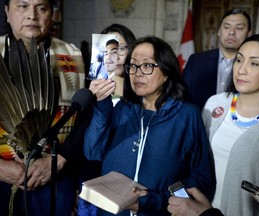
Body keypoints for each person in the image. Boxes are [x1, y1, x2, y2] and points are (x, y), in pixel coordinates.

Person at [84, 36, 215, 215]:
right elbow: (92, 152)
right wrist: (101, 109)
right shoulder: (122, 109)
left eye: (147, 65)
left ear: (166, 72)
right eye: (133, 65)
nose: (138, 73)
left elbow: (202, 177)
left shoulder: (187, 115)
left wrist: (156, 200)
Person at [0, 0, 85, 215]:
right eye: (23, 6)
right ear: (7, 12)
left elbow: (86, 118)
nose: (32, 15)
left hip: (55, 176)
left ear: (51, 14)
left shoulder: (72, 56)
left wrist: (58, 161)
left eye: (41, 8)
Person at [202, 33, 259, 215]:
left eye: (254, 63)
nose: (241, 70)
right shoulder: (214, 105)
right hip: (203, 210)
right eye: (239, 60)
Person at [77, 24, 137, 215]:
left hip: (127, 188)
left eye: (121, 48)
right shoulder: (88, 96)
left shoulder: (140, 95)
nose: (116, 56)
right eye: (109, 50)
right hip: (92, 185)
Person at [182, 8, 252, 110]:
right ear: (219, 31)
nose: (231, 32)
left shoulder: (254, 65)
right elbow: (182, 97)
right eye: (226, 27)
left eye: (239, 28)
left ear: (249, 34)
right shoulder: (196, 61)